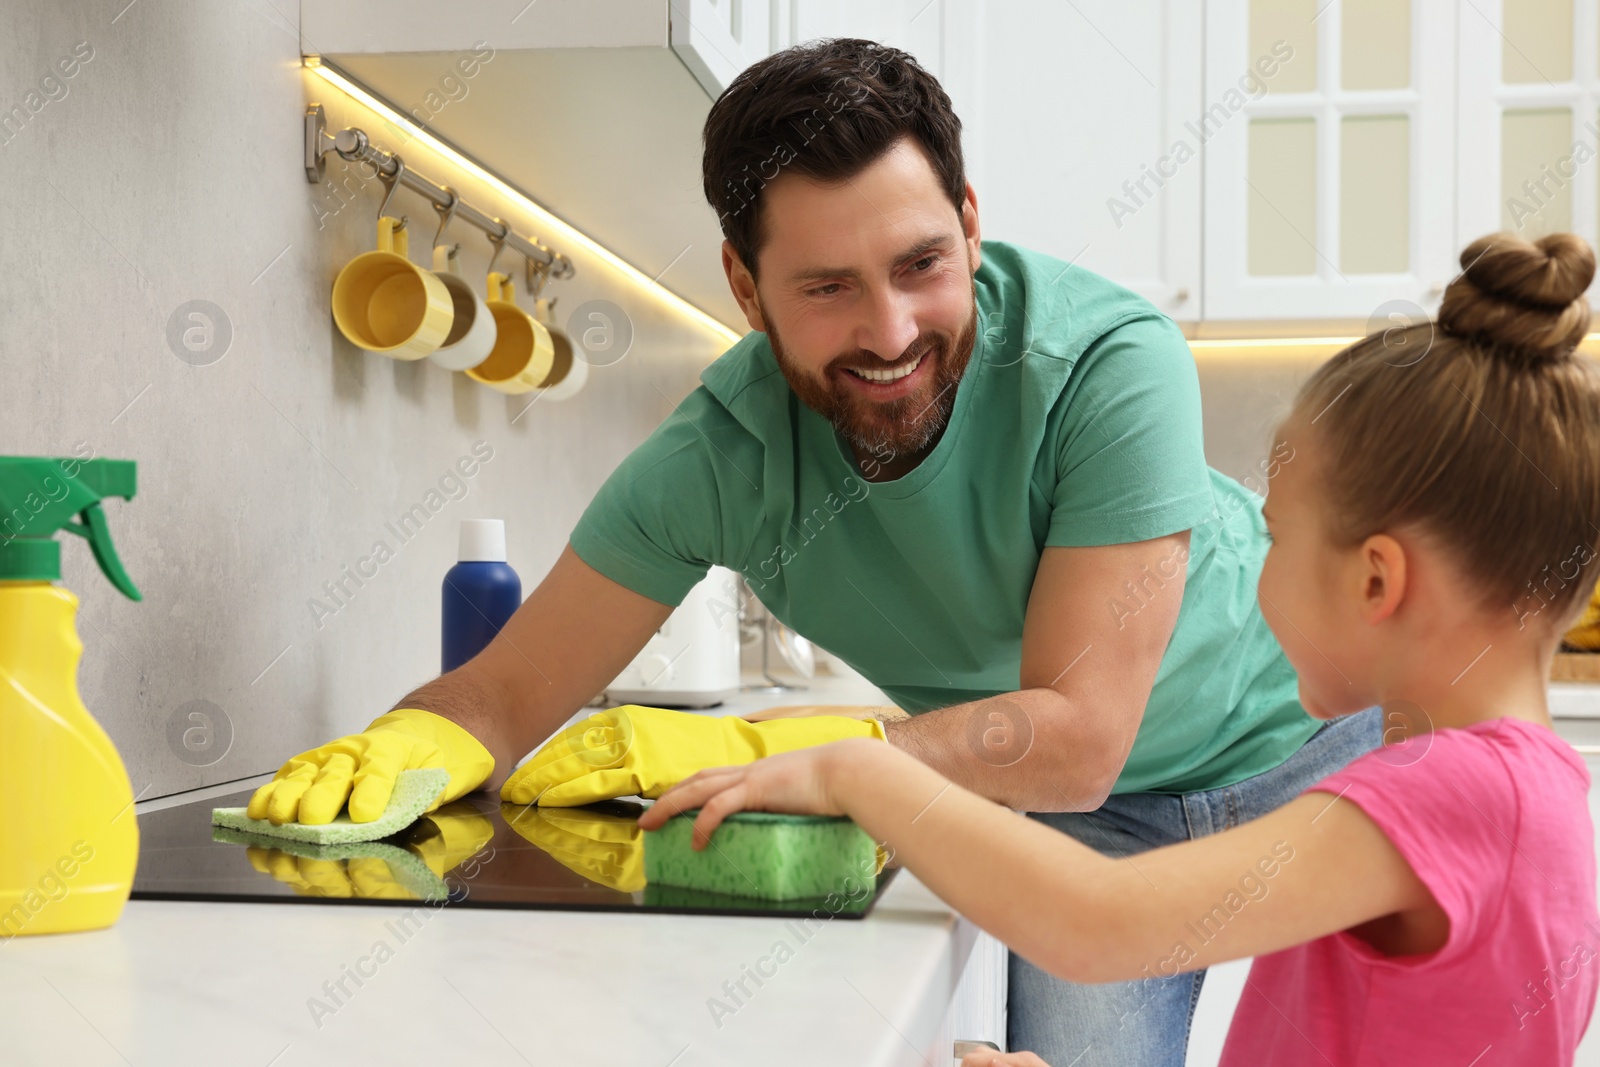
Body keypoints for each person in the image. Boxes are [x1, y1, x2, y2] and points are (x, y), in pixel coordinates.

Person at [249, 39, 1380, 1063]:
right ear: (745, 289)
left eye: (921, 265)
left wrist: (794, 743)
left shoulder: (1105, 365)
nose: (890, 334)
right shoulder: (720, 455)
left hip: (1320, 749)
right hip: (1087, 819)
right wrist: (421, 730)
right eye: (828, 288)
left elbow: (1080, 733)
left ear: (972, 224)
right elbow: (504, 689)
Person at [641, 231, 1600, 1066]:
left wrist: (862, 770)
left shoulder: (1456, 797)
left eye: (1276, 537)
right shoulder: (1517, 793)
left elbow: (1100, 925)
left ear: (1377, 581)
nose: (1252, 571)